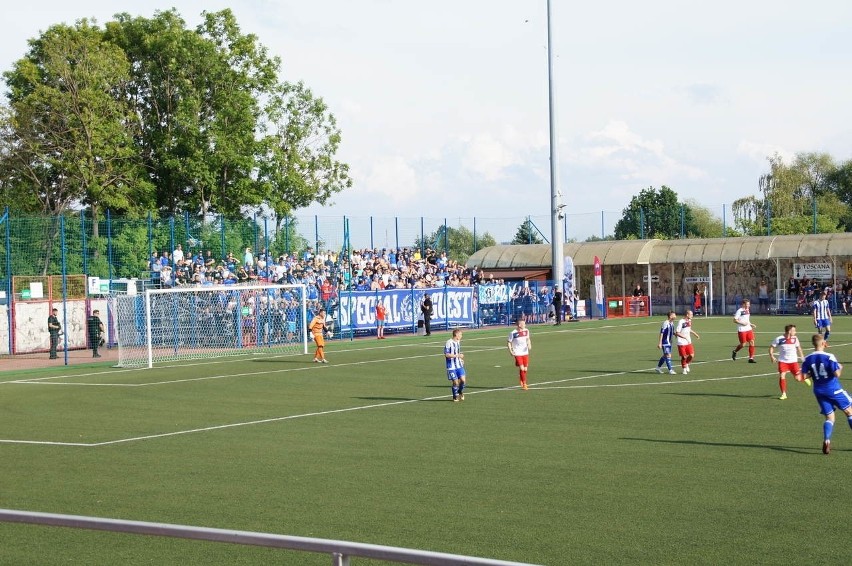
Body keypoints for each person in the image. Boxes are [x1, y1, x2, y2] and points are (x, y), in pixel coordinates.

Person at [799, 334, 852, 455]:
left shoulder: (807, 358)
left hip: (819, 391)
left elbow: (804, 376)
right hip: (833, 389)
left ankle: (827, 440)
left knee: (830, 418)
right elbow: (837, 374)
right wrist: (840, 367)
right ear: (823, 343)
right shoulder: (829, 356)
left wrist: (812, 374)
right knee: (849, 412)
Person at [768, 324, 805, 400]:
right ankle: (784, 394)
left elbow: (799, 348)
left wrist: (802, 358)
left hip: (793, 361)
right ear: (789, 331)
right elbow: (771, 347)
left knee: (797, 379)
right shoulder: (779, 339)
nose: (795, 332)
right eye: (794, 330)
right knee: (782, 375)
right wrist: (771, 356)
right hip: (783, 361)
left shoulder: (795, 338)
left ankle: (803, 377)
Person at [507, 318, 532, 390]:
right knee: (522, 368)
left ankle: (521, 377)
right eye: (524, 324)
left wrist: (529, 344)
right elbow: (509, 342)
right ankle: (524, 383)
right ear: (519, 325)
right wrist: (511, 351)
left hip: (525, 352)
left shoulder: (526, 331)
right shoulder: (513, 333)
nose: (525, 325)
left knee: (525, 369)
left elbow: (528, 339)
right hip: (517, 352)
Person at [674, 310, 700, 374]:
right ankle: (684, 369)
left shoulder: (689, 321)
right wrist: (684, 337)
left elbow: (689, 329)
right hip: (681, 342)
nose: (692, 315)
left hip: (688, 341)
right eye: (691, 314)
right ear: (687, 315)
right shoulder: (681, 321)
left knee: (691, 355)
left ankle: (687, 364)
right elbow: (677, 332)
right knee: (684, 356)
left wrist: (695, 334)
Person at [731, 298, 757, 363]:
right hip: (742, 330)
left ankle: (751, 358)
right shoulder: (739, 311)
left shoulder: (748, 310)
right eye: (747, 304)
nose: (748, 305)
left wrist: (751, 324)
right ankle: (735, 351)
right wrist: (742, 323)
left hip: (748, 329)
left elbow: (747, 320)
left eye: (749, 304)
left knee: (752, 342)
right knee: (743, 344)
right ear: (743, 304)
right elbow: (734, 320)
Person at [445, 328, 466, 402]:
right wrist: (458, 356)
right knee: (455, 382)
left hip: (459, 365)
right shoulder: (449, 342)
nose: (461, 336)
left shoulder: (458, 342)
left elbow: (458, 352)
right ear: (456, 335)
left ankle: (460, 391)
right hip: (451, 366)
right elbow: (447, 355)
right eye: (460, 334)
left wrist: (460, 359)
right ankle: (455, 396)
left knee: (463, 381)